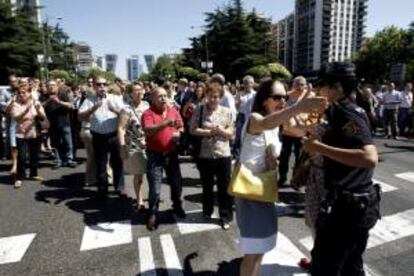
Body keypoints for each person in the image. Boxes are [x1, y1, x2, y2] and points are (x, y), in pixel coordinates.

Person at [235, 78, 327, 276]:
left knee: (260, 249)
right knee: (252, 253)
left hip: (265, 189)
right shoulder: (255, 118)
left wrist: (324, 124)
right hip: (250, 192)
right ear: (264, 99)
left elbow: (299, 130)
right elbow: (266, 123)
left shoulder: (278, 121)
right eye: (277, 97)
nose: (282, 101)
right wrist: (297, 107)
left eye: (285, 97)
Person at [301, 62, 380, 276]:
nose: (319, 90)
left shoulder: (349, 113)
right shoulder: (338, 109)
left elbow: (369, 157)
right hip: (351, 205)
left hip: (349, 208)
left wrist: (319, 148)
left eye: (322, 86)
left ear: (337, 86)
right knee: (351, 267)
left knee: (325, 267)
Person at [190, 83, 235, 230]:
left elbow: (231, 134)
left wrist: (220, 131)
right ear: (206, 96)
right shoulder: (200, 109)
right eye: (210, 96)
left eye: (216, 97)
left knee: (224, 187)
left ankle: (225, 216)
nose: (213, 99)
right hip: (205, 154)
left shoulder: (227, 111)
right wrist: (209, 132)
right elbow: (192, 129)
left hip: (223, 153)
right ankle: (207, 211)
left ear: (220, 97)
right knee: (207, 186)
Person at [142, 87, 186, 231]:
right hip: (155, 154)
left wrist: (179, 133)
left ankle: (177, 205)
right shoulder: (148, 113)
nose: (163, 98)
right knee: (155, 187)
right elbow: (148, 131)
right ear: (152, 99)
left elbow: (181, 127)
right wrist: (166, 123)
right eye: (159, 96)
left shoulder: (173, 111)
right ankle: (152, 213)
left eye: (165, 96)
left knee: (176, 183)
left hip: (171, 153)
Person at [78, 77, 125, 200]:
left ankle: (119, 188)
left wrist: (114, 109)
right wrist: (93, 108)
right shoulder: (89, 100)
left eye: (104, 84)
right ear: (94, 86)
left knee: (117, 163)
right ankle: (102, 189)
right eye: (99, 84)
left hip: (113, 135)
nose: (102, 86)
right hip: (98, 136)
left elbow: (125, 114)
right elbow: (80, 116)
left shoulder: (115, 98)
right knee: (101, 164)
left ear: (108, 86)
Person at [117, 83, 149, 210]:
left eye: (141, 89)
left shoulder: (147, 105)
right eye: (136, 90)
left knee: (152, 173)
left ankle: (152, 197)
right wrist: (122, 147)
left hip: (150, 144)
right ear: (130, 94)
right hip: (135, 145)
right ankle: (139, 200)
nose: (139, 92)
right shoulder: (126, 109)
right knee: (139, 174)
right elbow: (121, 129)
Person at [10, 81, 47, 188]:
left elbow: (43, 117)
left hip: (35, 133)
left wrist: (38, 109)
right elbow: (17, 118)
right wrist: (26, 109)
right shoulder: (16, 104)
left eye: (24, 92)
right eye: (20, 93)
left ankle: (33, 174)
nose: (21, 94)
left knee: (34, 156)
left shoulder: (36, 103)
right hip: (21, 134)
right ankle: (19, 177)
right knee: (21, 157)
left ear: (29, 93)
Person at [278, 76, 308, 186]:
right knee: (284, 157)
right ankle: (282, 178)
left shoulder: (309, 96)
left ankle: (296, 180)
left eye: (302, 84)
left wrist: (309, 126)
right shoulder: (286, 96)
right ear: (293, 85)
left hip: (302, 133)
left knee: (299, 158)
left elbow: (315, 114)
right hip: (287, 132)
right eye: (297, 84)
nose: (300, 87)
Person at [43, 80, 76, 169]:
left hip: (65, 122)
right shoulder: (44, 96)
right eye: (49, 85)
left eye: (53, 85)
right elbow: (39, 107)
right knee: (55, 144)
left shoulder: (63, 95)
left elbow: (71, 106)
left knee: (68, 143)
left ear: (57, 86)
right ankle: (58, 160)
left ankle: (69, 160)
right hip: (52, 124)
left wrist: (59, 102)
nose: (51, 87)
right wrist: (48, 101)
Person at [234, 75, 256, 156]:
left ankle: (249, 151)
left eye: (250, 83)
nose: (248, 85)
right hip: (241, 115)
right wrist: (238, 102)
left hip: (251, 116)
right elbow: (235, 106)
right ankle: (236, 152)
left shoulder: (255, 94)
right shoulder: (240, 94)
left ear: (253, 84)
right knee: (239, 134)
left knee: (250, 133)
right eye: (246, 83)